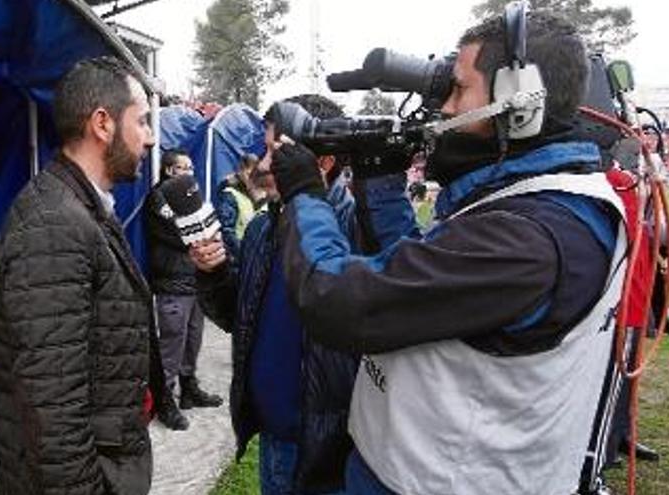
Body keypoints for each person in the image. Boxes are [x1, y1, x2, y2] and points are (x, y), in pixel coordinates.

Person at [266, 9, 631, 495]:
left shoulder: (530, 240)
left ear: (520, 104)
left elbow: (341, 299)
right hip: (411, 467)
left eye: (459, 90)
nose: (446, 111)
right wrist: (379, 180)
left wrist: (306, 196)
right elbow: (416, 272)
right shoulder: (529, 200)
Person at [191, 94, 409, 494]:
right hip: (274, 443)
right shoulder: (263, 229)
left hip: (332, 455)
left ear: (322, 163)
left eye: (277, 153)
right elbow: (240, 316)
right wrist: (214, 273)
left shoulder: (363, 235)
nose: (263, 165)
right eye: (264, 149)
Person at [0, 57, 161, 495]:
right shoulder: (53, 225)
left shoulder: (80, 207)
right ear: (102, 124)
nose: (150, 137)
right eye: (141, 121)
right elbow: (52, 407)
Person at [144, 149, 223, 432]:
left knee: (193, 338)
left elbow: (208, 228)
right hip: (172, 281)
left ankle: (189, 388)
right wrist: (201, 234)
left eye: (191, 167)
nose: (188, 173)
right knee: (172, 343)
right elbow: (187, 234)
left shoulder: (191, 197)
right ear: (168, 170)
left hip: (195, 280)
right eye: (182, 168)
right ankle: (164, 400)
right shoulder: (159, 197)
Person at [214, 153, 266, 262]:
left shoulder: (266, 195)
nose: (252, 178)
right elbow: (226, 231)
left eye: (256, 174)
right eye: (248, 174)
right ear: (240, 172)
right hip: (239, 262)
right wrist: (245, 255)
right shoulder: (230, 195)